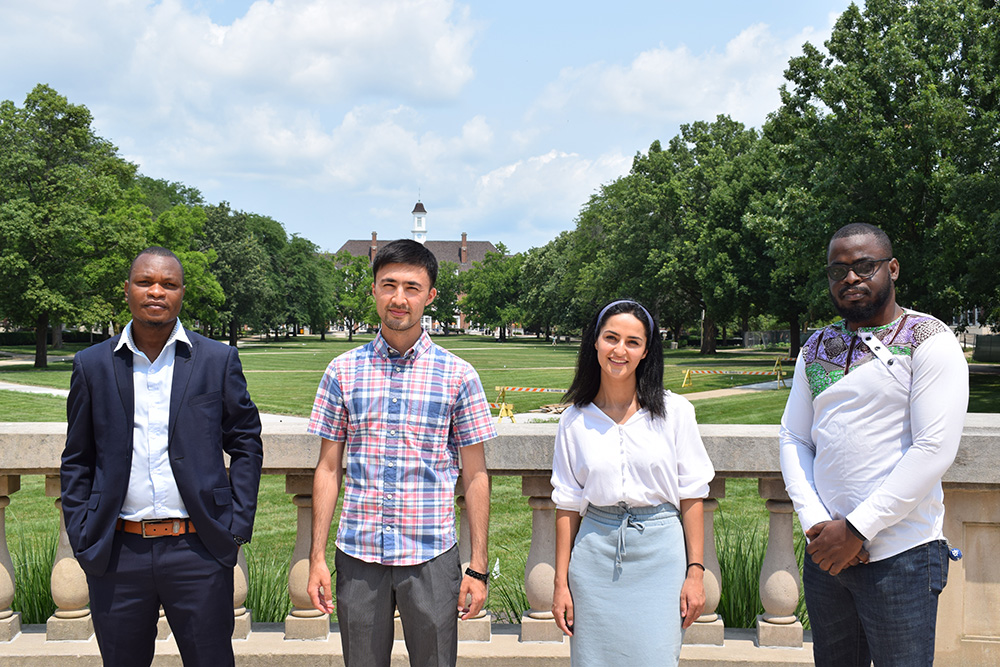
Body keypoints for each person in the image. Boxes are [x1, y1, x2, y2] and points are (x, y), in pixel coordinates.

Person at [60, 246, 264, 667]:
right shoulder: (91, 364)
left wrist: (236, 525)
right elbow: (77, 458)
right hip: (118, 552)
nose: (156, 292)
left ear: (182, 293)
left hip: (198, 549)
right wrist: (83, 535)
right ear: (127, 290)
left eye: (168, 284)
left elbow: (245, 441)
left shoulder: (216, 359)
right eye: (145, 282)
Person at [779, 223, 969, 666]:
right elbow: (793, 436)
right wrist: (817, 524)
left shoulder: (929, 339)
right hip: (826, 554)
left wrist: (858, 528)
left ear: (893, 268)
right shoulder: (817, 346)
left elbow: (933, 448)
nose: (850, 278)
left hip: (902, 557)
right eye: (837, 270)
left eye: (864, 266)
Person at [307, 239, 496, 667]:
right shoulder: (342, 371)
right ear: (373, 290)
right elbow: (328, 467)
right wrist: (316, 557)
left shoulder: (458, 375)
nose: (399, 297)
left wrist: (478, 566)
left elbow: (476, 476)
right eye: (388, 285)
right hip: (358, 553)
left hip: (431, 553)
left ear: (430, 296)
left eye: (412, 287)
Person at [550, 299, 715, 666]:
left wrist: (695, 572)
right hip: (594, 559)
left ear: (645, 352)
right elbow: (567, 504)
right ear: (595, 342)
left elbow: (692, 496)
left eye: (633, 342)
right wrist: (561, 583)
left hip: (661, 559)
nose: (619, 350)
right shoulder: (574, 421)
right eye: (611, 338)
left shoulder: (675, 413)